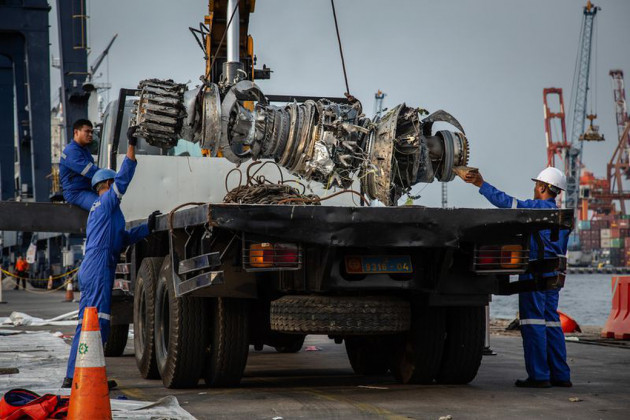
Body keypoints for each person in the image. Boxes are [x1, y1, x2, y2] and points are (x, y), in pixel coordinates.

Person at [62, 127, 160, 388]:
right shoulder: (105, 204)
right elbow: (125, 180)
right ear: (105, 185)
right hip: (98, 267)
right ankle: (84, 377)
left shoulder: (108, 213)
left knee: (90, 321)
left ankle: (76, 375)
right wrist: (131, 147)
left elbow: (123, 239)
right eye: (112, 182)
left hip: (99, 265)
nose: (116, 185)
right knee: (96, 323)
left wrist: (148, 227)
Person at [463, 167, 572, 388]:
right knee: (551, 322)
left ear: (542, 187)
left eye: (536, 185)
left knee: (532, 322)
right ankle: (561, 375)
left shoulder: (537, 208)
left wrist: (481, 185)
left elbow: (508, 204)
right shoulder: (561, 215)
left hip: (536, 274)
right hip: (555, 275)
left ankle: (539, 376)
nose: (534, 188)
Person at [59, 119, 100, 211]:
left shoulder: (84, 150)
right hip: (76, 192)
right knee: (101, 206)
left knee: (111, 201)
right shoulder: (71, 151)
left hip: (88, 189)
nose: (90, 135)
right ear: (76, 132)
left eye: (91, 132)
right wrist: (107, 175)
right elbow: (89, 170)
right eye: (87, 131)